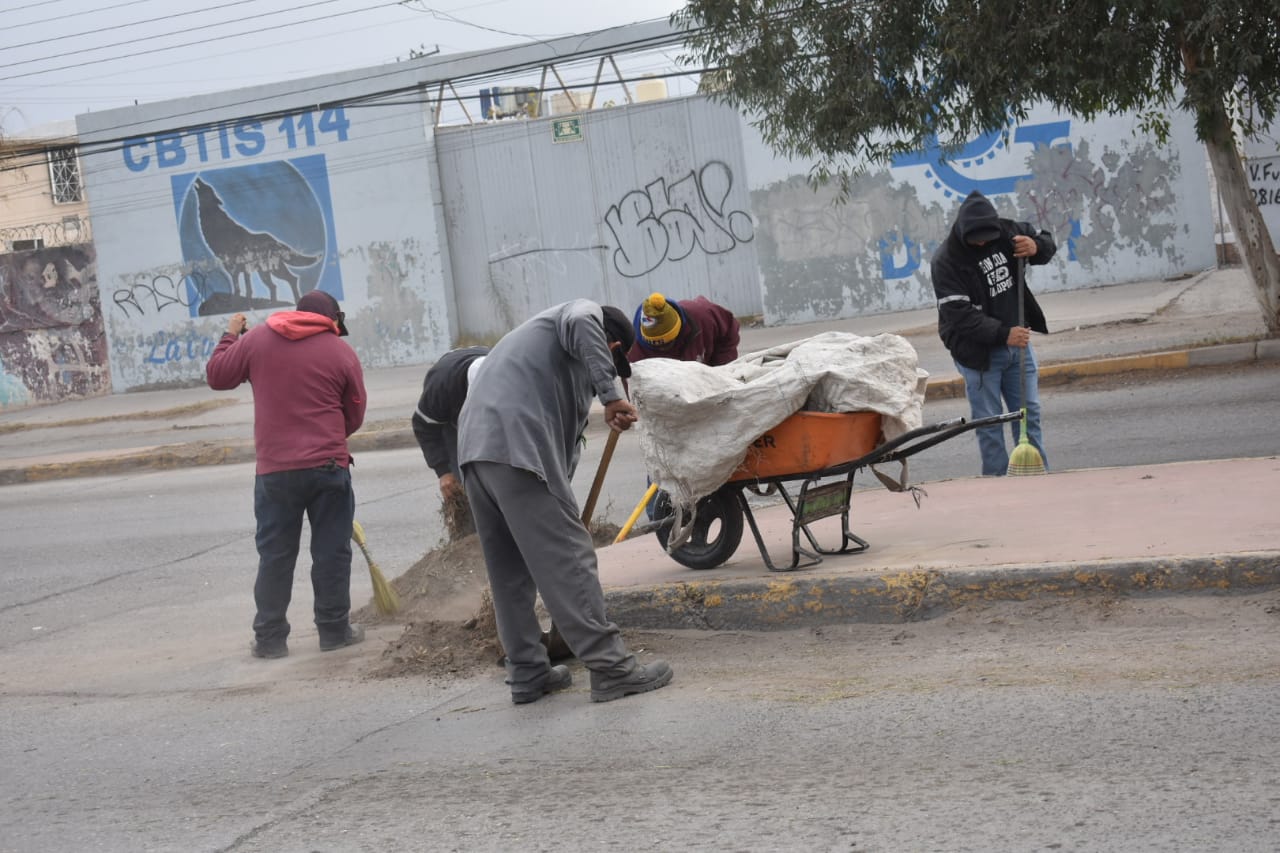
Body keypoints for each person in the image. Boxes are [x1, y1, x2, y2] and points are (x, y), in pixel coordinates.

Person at [457, 299, 674, 704]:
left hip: (477, 453)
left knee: (509, 571)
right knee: (571, 558)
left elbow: (564, 449)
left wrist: (560, 508)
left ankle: (527, 672)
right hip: (515, 447)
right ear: (609, 347)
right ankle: (612, 669)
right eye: (609, 363)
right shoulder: (579, 314)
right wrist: (611, 395)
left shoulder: (545, 358)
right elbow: (582, 319)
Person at [206, 289, 368, 659]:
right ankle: (333, 631)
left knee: (275, 556)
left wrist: (230, 335)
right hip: (328, 467)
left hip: (275, 471)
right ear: (332, 318)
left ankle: (270, 640)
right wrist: (329, 437)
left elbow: (218, 376)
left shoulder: (257, 340)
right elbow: (355, 411)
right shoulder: (340, 351)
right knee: (331, 552)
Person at [931, 190, 1057, 476]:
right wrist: (1003, 334)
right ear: (964, 232)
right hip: (978, 354)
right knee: (989, 425)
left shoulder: (1007, 231)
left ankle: (1037, 477)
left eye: (987, 237)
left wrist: (1036, 247)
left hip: (1018, 347)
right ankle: (998, 483)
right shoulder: (946, 260)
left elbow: (1046, 241)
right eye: (977, 239)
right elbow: (958, 315)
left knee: (1028, 416)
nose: (983, 243)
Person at [412, 346, 489, 501]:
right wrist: (444, 471)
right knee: (462, 476)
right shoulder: (441, 388)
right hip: (451, 414)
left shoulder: (507, 375)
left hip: (484, 362)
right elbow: (424, 426)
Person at [627, 292, 740, 366]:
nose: (662, 348)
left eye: (667, 344)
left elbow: (729, 329)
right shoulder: (636, 357)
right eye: (657, 346)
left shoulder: (702, 315)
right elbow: (635, 390)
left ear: (679, 328)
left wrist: (720, 369)